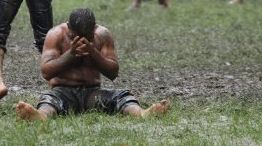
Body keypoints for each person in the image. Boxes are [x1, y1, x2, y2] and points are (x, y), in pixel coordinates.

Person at [16, 8, 171, 121]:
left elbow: (113, 72)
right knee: (50, 99)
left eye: (87, 37)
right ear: (69, 28)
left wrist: (93, 52)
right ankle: (41, 116)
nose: (82, 41)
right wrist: (71, 54)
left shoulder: (103, 34)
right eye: (75, 37)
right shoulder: (56, 34)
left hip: (93, 94)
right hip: (63, 92)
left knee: (122, 95)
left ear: (95, 27)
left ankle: (142, 114)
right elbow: (46, 72)